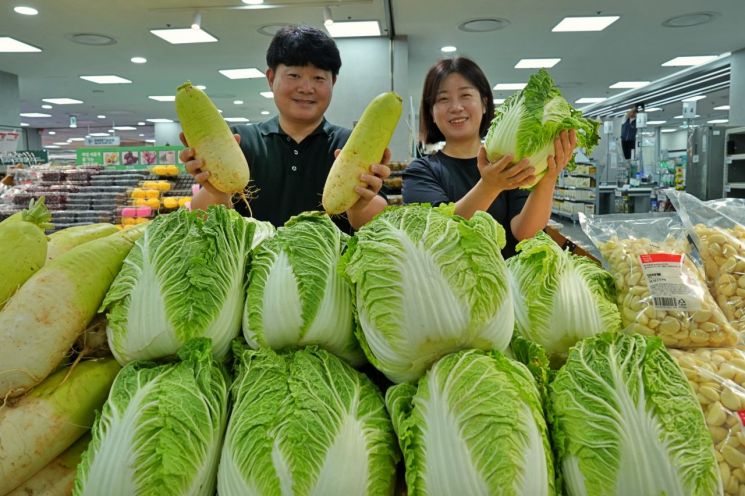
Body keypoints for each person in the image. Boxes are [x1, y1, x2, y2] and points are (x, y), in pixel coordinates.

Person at [179, 25, 390, 232]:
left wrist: (358, 206)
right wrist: (218, 194)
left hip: (335, 268)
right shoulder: (238, 141)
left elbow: (381, 228)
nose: (306, 88)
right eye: (294, 76)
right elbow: (203, 224)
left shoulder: (352, 145)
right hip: (250, 268)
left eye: (318, 78)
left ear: (333, 82)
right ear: (271, 79)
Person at [402, 57, 577, 258]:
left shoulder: (510, 160)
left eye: (465, 95)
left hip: (509, 285)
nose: (456, 107)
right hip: (449, 288)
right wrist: (490, 185)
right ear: (431, 112)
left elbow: (525, 233)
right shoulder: (420, 172)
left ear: (484, 104)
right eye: (443, 99)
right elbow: (438, 234)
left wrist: (548, 178)